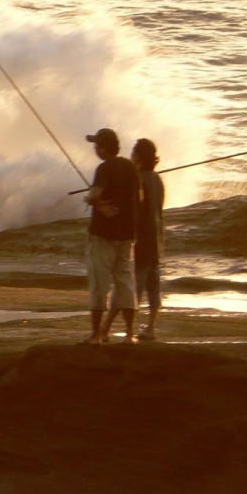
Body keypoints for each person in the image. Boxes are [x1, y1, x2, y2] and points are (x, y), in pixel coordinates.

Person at [83, 127, 140, 343]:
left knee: (99, 282)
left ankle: (96, 334)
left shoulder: (104, 168)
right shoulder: (131, 167)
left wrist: (94, 201)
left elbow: (94, 195)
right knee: (125, 281)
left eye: (97, 145)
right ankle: (129, 334)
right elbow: (138, 199)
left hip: (103, 234)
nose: (95, 149)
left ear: (105, 148)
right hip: (127, 233)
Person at [131, 137, 165, 341]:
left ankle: (130, 329)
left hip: (143, 241)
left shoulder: (139, 181)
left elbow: (136, 210)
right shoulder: (157, 179)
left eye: (134, 153)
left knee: (137, 285)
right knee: (153, 284)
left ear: (139, 158)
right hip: (157, 239)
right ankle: (150, 327)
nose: (131, 156)